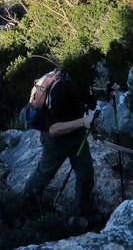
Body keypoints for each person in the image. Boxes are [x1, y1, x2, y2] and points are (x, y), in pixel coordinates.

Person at [24, 72, 98, 218]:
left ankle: (80, 213)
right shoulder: (59, 90)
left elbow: (90, 102)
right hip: (56, 141)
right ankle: (25, 205)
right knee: (44, 174)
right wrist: (83, 122)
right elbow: (53, 129)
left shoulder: (81, 82)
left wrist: (107, 92)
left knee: (86, 175)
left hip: (76, 135)